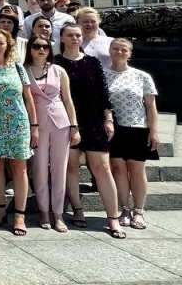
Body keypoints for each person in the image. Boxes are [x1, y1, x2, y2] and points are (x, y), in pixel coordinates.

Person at [55, 23, 123, 238]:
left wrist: (109, 118)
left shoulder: (92, 62)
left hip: (93, 118)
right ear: (62, 38)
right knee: (71, 167)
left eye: (78, 35)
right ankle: (77, 210)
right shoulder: (56, 63)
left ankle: (113, 217)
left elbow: (103, 93)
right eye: (71, 35)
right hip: (67, 119)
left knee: (102, 167)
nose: (75, 38)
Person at [0, 27, 37, 237]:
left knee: (19, 167)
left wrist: (34, 127)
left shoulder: (18, 68)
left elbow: (29, 100)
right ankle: (0, 209)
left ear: (8, 45)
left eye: (1, 43)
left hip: (18, 125)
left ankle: (20, 215)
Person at [25, 31, 79, 232]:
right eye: (37, 46)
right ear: (30, 49)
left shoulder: (59, 70)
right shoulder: (24, 69)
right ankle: (44, 213)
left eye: (45, 47)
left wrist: (74, 126)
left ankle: (58, 214)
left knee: (59, 169)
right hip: (37, 123)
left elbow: (68, 99)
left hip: (60, 122)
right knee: (39, 169)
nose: (41, 50)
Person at [105, 38, 160, 231]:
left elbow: (151, 106)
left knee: (136, 170)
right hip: (114, 129)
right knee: (118, 169)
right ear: (110, 51)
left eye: (124, 50)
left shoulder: (141, 76)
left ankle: (139, 210)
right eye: (116, 49)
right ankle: (124, 209)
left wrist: (154, 131)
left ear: (130, 53)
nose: (119, 52)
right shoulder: (103, 75)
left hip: (137, 127)